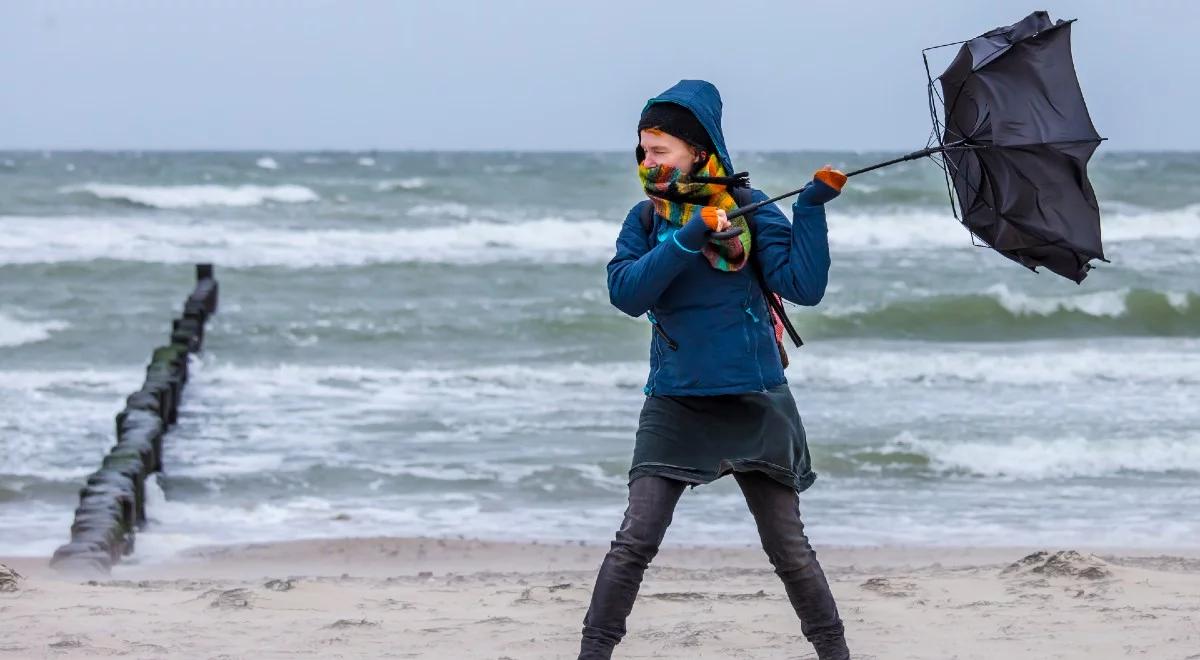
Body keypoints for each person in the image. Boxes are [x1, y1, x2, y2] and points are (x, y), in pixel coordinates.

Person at [577, 79, 851, 659]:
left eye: (659, 151)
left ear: (698, 153)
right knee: (634, 542)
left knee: (790, 551)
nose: (646, 162)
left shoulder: (753, 211)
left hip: (756, 399)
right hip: (676, 400)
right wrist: (692, 231)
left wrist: (809, 211)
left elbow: (804, 286)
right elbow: (628, 292)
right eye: (643, 151)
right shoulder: (647, 221)